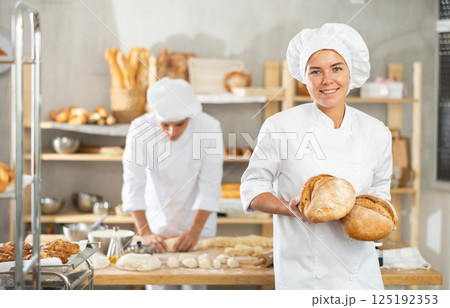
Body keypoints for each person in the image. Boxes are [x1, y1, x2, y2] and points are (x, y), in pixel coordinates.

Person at [240, 23, 392, 289]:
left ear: (350, 71)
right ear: (304, 77)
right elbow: (252, 188)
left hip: (360, 277)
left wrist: (370, 218)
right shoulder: (280, 126)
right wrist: (288, 208)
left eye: (336, 68)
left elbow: (381, 192)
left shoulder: (376, 131)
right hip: (304, 276)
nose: (327, 80)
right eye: (316, 71)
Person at [122, 77, 223, 290]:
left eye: (179, 124)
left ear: (190, 116)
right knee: (159, 286)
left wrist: (195, 231)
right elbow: (134, 184)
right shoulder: (140, 128)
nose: (172, 132)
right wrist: (146, 232)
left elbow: (210, 184)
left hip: (197, 220)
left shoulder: (208, 127)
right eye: (165, 125)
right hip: (156, 220)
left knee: (195, 287)